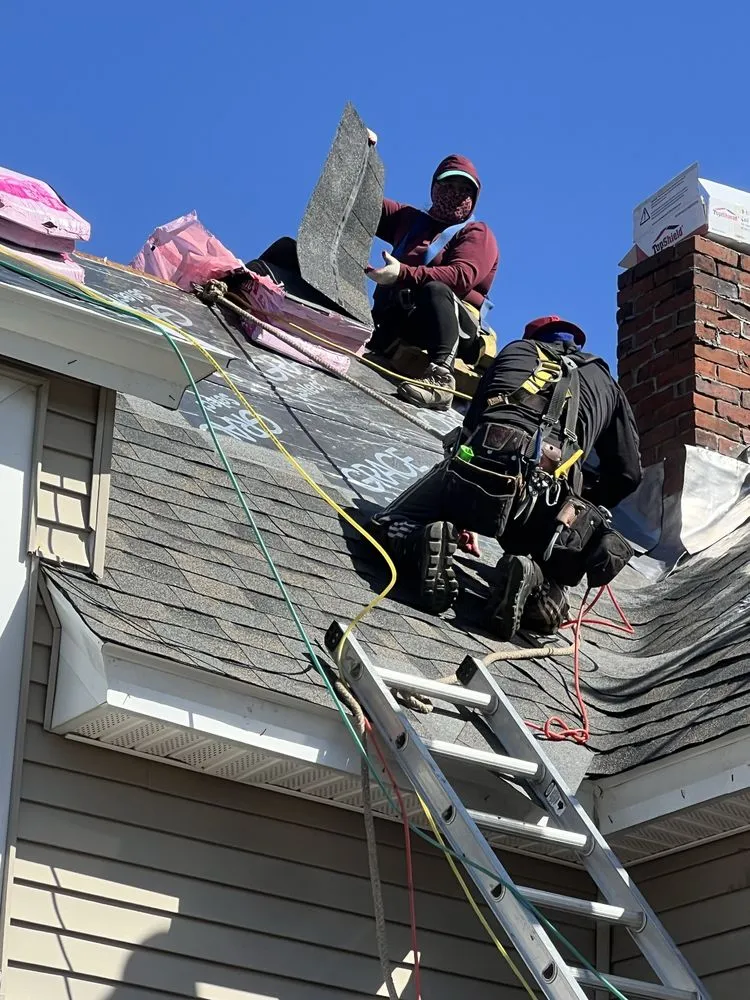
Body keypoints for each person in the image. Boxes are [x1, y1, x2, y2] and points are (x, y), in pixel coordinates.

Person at [368, 316, 642, 639]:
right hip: (551, 502)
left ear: (535, 338)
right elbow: (628, 473)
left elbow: (467, 438)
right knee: (553, 604)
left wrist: (460, 514)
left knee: (386, 525)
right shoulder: (605, 383)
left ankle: (422, 539)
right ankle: (533, 580)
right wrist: (586, 506)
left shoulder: (515, 351)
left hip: (481, 469)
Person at [365, 155, 499, 411]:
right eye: (448, 186)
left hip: (455, 331)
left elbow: (461, 277)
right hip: (406, 322)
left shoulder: (476, 233)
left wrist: (403, 273)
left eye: (464, 190)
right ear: (435, 187)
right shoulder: (410, 220)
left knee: (435, 290)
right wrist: (365, 152)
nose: (455, 194)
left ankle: (441, 380)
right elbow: (364, 200)